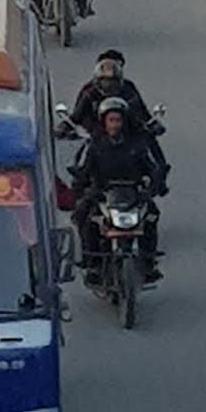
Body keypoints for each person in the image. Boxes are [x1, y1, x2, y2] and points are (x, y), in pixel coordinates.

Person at [71, 99, 163, 286]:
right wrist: (80, 187)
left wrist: (154, 186)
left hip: (131, 193)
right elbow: (82, 170)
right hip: (102, 194)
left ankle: (148, 262)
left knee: (152, 216)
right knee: (84, 217)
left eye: (118, 120)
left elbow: (152, 168)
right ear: (104, 122)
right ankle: (93, 264)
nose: (114, 125)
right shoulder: (94, 145)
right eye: (111, 120)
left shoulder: (136, 145)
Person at [70, 52, 169, 188]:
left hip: (128, 132)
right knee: (83, 168)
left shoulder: (128, 89)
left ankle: (160, 181)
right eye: (105, 80)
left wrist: (153, 125)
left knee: (149, 142)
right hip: (97, 133)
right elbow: (76, 116)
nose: (109, 84)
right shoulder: (89, 92)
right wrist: (65, 127)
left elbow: (143, 113)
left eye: (113, 81)